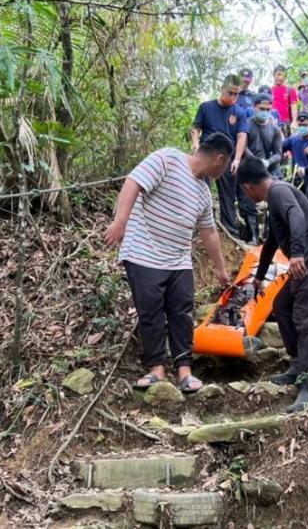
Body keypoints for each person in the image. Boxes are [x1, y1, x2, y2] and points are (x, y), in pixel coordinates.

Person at [105, 133, 234, 394]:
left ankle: (184, 370)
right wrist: (121, 221)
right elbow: (133, 183)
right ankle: (156, 369)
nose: (225, 170)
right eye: (227, 164)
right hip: (144, 252)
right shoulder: (168, 159)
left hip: (178, 259)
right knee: (151, 312)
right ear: (219, 159)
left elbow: (208, 232)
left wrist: (220, 269)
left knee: (182, 311)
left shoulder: (203, 192)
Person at [237, 158, 308, 413]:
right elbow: (272, 241)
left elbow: (296, 215)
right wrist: (259, 276)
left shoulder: (279, 190)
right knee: (282, 304)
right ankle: (298, 364)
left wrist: (297, 253)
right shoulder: (274, 202)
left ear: (248, 186)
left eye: (242, 190)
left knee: (306, 314)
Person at [191, 74, 250, 239]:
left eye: (236, 94)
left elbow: (241, 137)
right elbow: (195, 128)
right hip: (206, 155)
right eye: (229, 93)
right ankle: (200, 230)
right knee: (202, 192)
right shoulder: (206, 107)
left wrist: (237, 159)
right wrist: (195, 144)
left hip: (226, 158)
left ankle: (230, 232)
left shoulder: (239, 112)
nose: (232, 97)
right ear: (221, 89)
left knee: (228, 196)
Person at [242, 93, 285, 245]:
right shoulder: (246, 125)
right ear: (254, 107)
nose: (265, 111)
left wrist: (267, 162)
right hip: (249, 167)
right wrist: (255, 161)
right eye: (262, 108)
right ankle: (253, 235)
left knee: (274, 203)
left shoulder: (274, 129)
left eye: (268, 109)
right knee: (246, 200)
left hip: (269, 169)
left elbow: (279, 154)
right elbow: (243, 146)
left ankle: (269, 237)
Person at [270, 65, 299, 136]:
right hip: (271, 123)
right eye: (278, 74)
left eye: (283, 76)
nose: (280, 78)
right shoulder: (269, 91)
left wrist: (294, 121)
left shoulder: (290, 90)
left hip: (286, 123)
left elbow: (293, 106)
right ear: (274, 75)